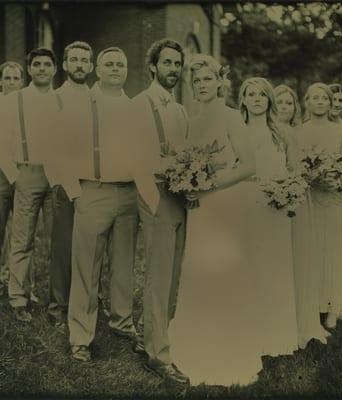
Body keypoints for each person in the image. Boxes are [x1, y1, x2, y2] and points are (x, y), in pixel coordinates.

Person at [170, 70, 298, 386]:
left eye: (207, 80)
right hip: (198, 206)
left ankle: (228, 346)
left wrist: (206, 186)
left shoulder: (231, 118)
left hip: (222, 203)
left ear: (220, 85)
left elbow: (249, 166)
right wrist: (186, 180)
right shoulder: (190, 119)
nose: (202, 85)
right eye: (196, 81)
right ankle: (193, 338)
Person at [63, 47, 139, 362]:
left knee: (123, 265)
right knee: (86, 267)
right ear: (97, 68)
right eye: (108, 63)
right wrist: (75, 193)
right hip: (92, 191)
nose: (115, 69)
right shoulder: (80, 104)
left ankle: (121, 322)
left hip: (129, 193)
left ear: (127, 70)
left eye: (120, 64)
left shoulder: (135, 107)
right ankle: (80, 336)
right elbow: (59, 149)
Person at [130, 38, 189, 384]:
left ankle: (152, 334)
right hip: (155, 194)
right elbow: (136, 157)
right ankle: (157, 354)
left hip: (180, 195)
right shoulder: (140, 105)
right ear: (152, 66)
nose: (173, 70)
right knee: (159, 274)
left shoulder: (179, 109)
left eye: (177, 64)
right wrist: (152, 202)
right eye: (167, 63)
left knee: (173, 275)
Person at [0, 47, 61, 322]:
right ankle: (18, 298)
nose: (42, 69)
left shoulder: (61, 101)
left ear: (55, 69)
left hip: (57, 175)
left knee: (60, 240)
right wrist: (15, 175)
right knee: (22, 238)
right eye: (37, 65)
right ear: (29, 70)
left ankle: (59, 300)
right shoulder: (14, 101)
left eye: (47, 64)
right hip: (26, 173)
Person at [274, 84, 331, 349]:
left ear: (295, 107)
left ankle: (299, 322)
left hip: (292, 196)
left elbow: (295, 168)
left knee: (296, 258)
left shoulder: (294, 133)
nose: (284, 107)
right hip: (270, 196)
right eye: (280, 102)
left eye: (288, 103)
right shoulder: (264, 130)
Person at [43, 41, 94, 329]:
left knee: (91, 248)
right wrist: (69, 186)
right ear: (64, 64)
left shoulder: (96, 97)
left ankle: (87, 302)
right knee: (63, 248)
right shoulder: (55, 99)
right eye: (74, 59)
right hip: (66, 182)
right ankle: (58, 308)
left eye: (84, 60)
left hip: (97, 182)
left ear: (91, 66)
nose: (79, 64)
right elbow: (51, 148)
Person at [296, 83, 342, 329]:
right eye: (314, 98)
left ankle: (333, 307)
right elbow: (296, 167)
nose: (319, 102)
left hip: (334, 195)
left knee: (334, 250)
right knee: (313, 250)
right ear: (306, 102)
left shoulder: (340, 132)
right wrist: (311, 178)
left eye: (324, 98)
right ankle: (315, 303)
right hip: (309, 197)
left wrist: (336, 179)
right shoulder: (299, 132)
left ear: (330, 104)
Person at [0, 61, 24, 306]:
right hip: (0, 170)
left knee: (20, 231)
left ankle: (15, 280)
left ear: (22, 81)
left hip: (22, 170)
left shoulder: (25, 105)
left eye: (15, 78)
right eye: (7, 78)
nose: (11, 83)